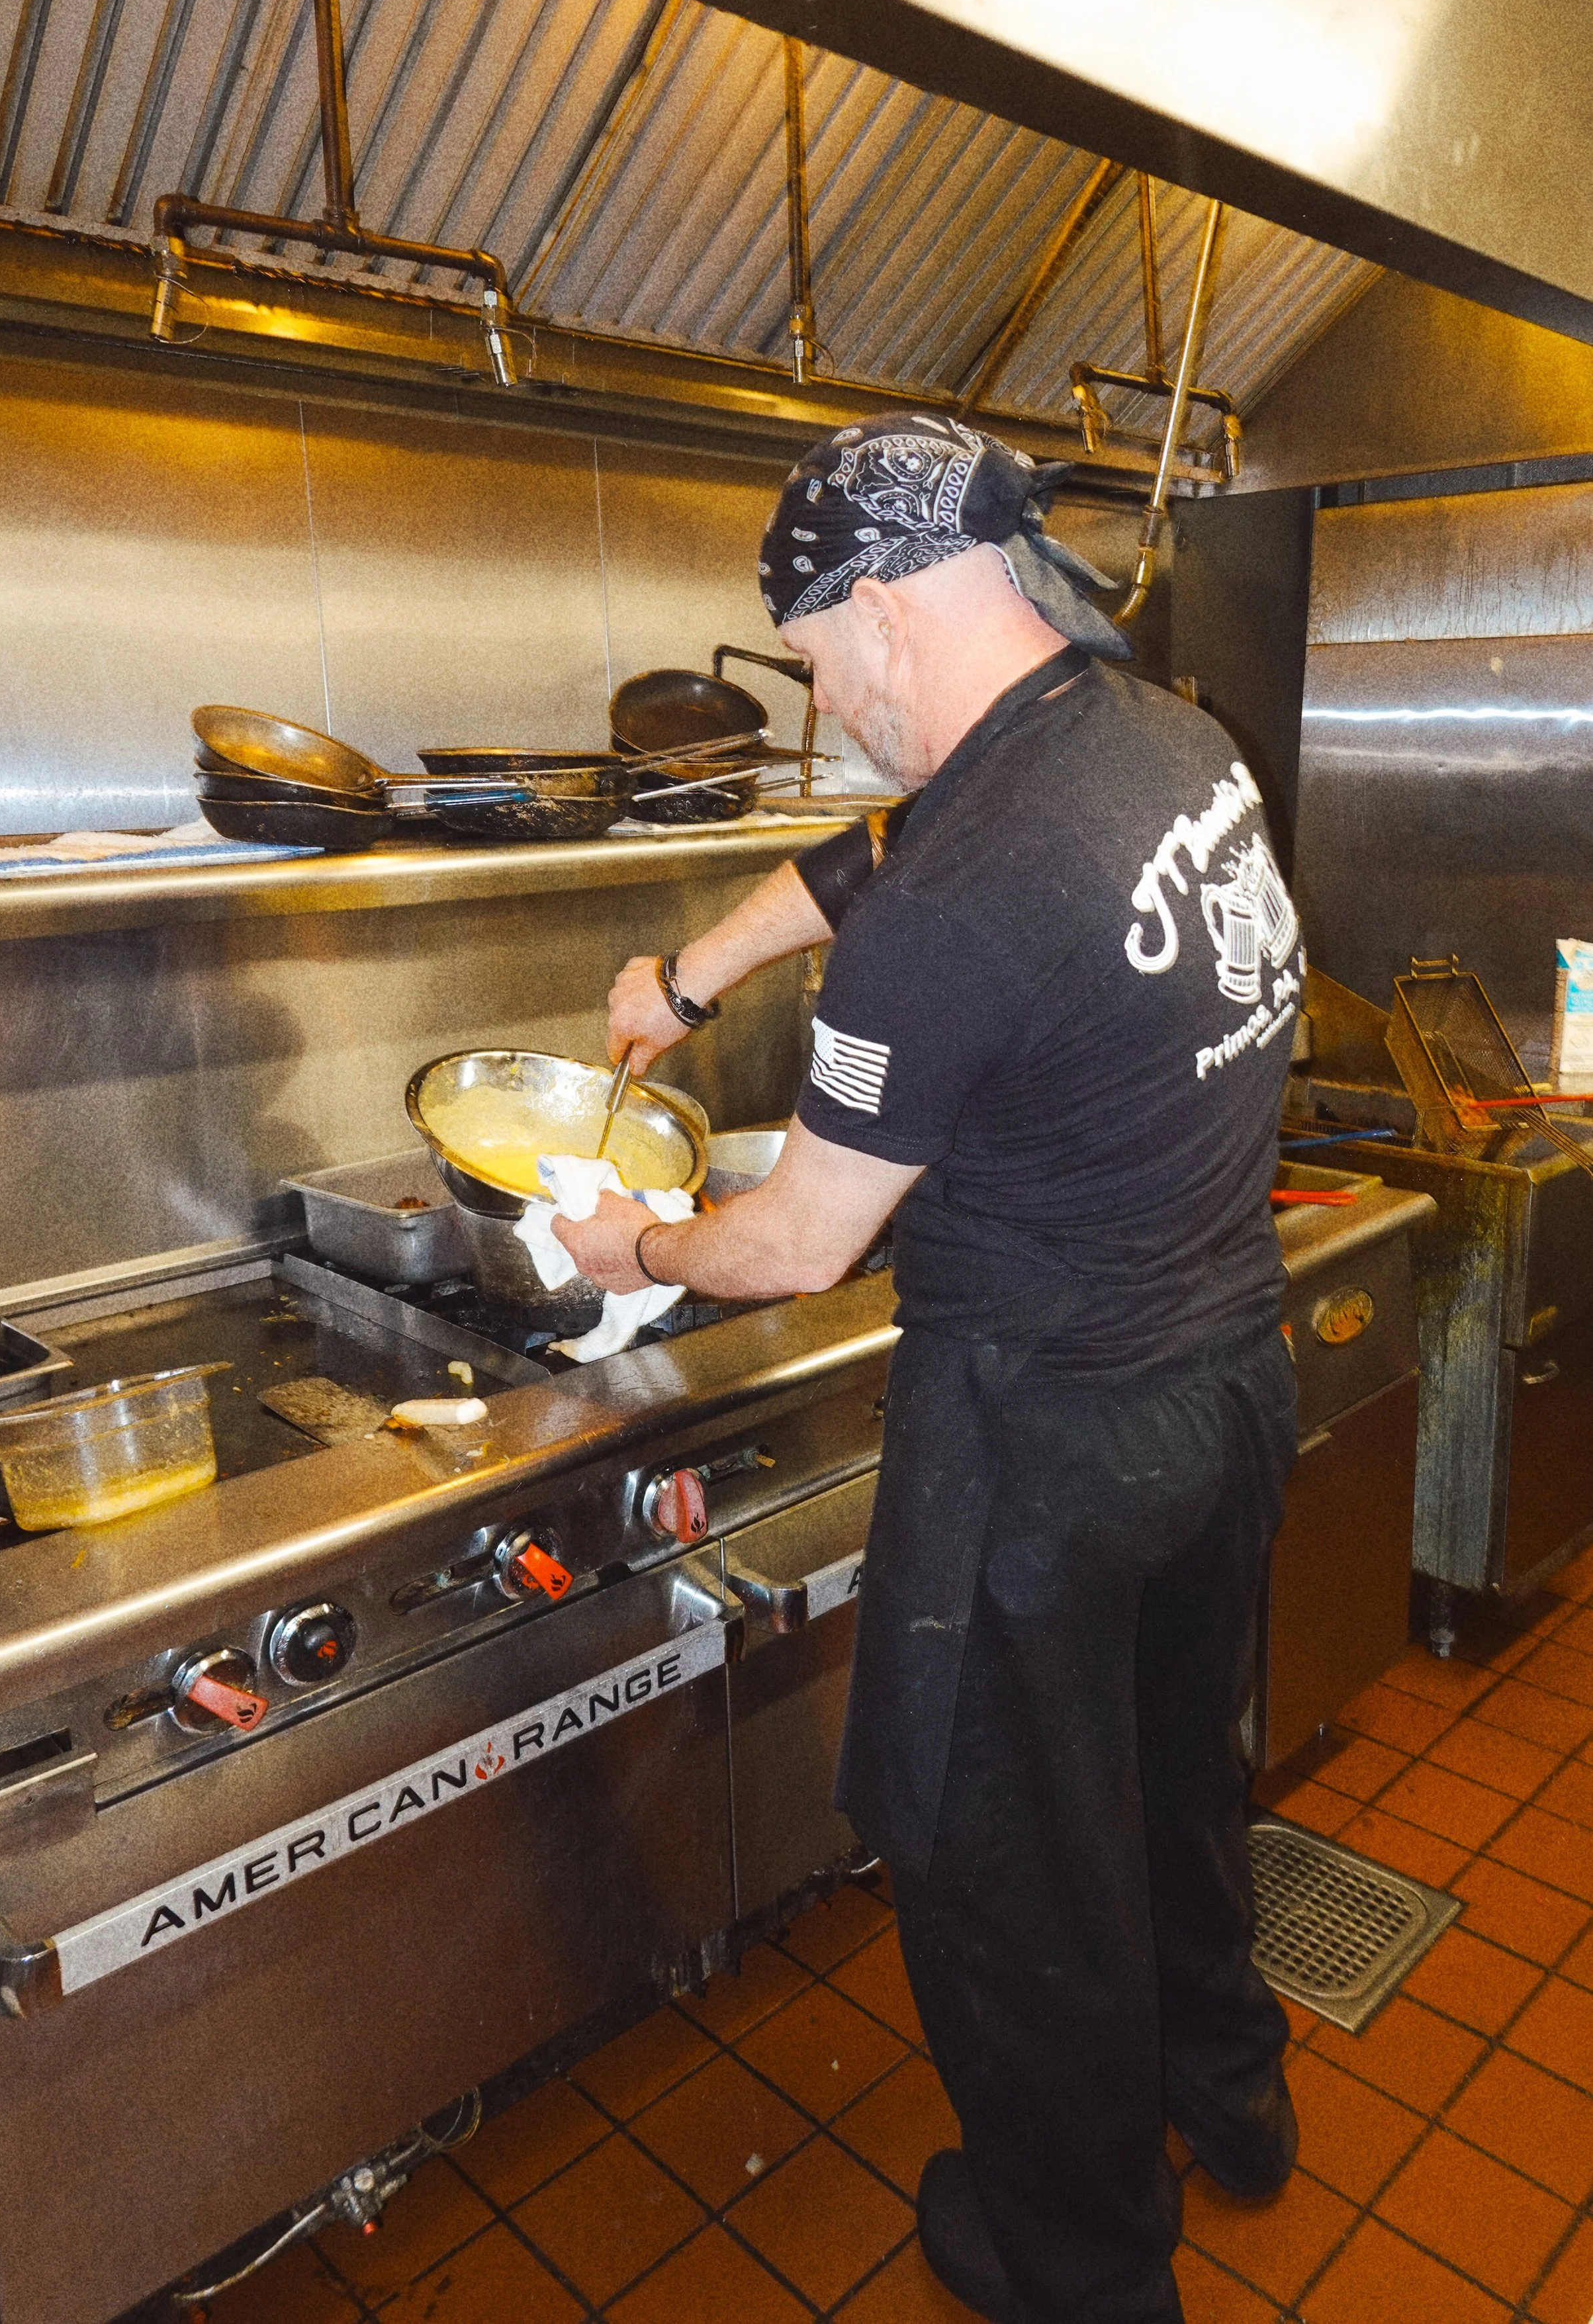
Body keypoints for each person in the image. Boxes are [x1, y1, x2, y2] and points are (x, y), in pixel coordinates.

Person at [555, 412, 1303, 2324]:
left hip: (1042, 1451)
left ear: (881, 607)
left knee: (1017, 1874)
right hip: (1222, 1381)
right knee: (1174, 1779)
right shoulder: (1164, 744)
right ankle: (1229, 2097)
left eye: (815, 657)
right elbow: (864, 859)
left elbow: (800, 1243)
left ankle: (1077, 2261)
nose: (825, 699)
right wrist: (689, 979)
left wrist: (628, 1245)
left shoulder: (965, 904)